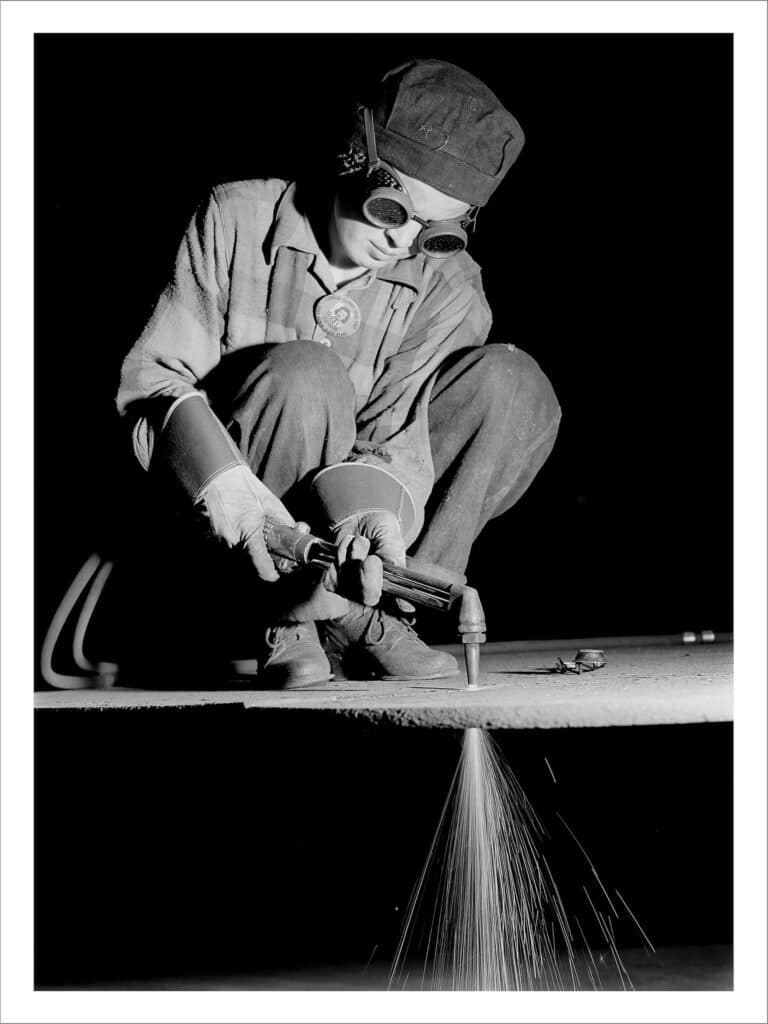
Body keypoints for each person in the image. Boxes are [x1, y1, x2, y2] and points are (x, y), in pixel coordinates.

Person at [116, 58, 561, 688]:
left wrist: (368, 521)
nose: (404, 244)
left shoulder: (450, 287)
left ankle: (371, 608)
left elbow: (393, 439)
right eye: (392, 210)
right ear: (353, 158)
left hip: (354, 540)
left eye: (435, 231)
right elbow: (152, 388)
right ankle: (289, 613)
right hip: (225, 535)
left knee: (513, 386)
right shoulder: (235, 217)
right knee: (307, 372)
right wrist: (230, 492)